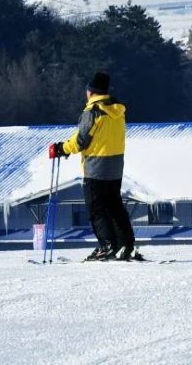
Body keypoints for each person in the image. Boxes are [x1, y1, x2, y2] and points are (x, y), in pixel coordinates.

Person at [49, 71, 139, 262]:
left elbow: (81, 140)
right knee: (115, 207)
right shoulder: (117, 111)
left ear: (91, 92)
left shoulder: (93, 112)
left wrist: (62, 149)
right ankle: (126, 244)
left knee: (97, 209)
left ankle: (107, 245)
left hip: (95, 167)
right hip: (115, 166)